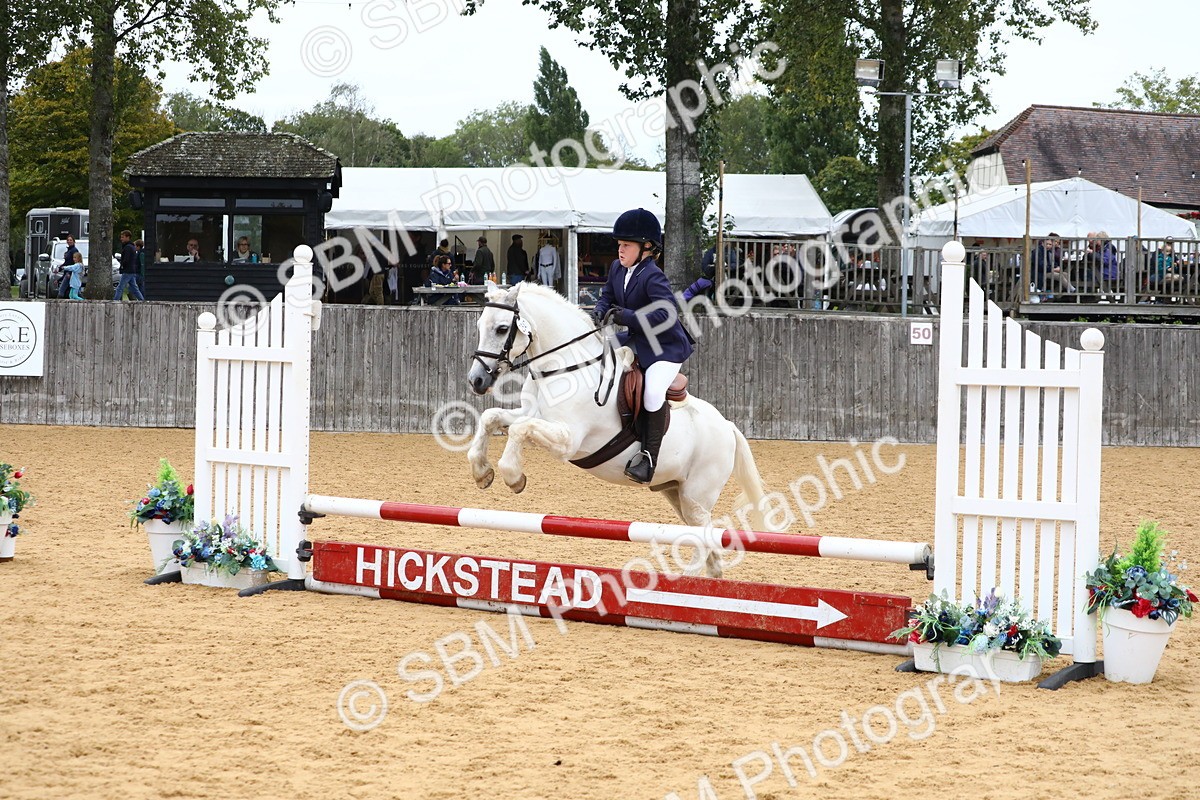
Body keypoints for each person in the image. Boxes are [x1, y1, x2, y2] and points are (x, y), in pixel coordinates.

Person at [592, 208, 693, 485]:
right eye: (619, 245)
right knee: (595, 353)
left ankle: (649, 457)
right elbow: (607, 295)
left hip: (665, 347)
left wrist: (626, 316)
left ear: (646, 247)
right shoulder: (617, 268)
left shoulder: (653, 275)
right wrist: (600, 310)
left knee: (651, 391)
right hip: (637, 339)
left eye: (626, 245)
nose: (620, 250)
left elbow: (666, 314)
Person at [114, 230, 145, 301]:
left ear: (128, 237)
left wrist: (122, 265)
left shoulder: (127, 247)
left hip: (127, 270)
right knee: (134, 288)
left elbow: (126, 259)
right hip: (132, 270)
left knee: (120, 287)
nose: (121, 239)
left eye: (123, 237)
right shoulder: (132, 247)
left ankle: (115, 301)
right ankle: (142, 300)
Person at [56, 235, 81, 299]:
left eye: (71, 240)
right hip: (67, 272)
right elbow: (66, 263)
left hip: (70, 273)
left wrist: (69, 272)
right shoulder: (69, 251)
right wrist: (60, 268)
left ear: (74, 241)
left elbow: (72, 264)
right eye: (68, 240)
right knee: (72, 293)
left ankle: (57, 302)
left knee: (62, 289)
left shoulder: (74, 250)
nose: (69, 241)